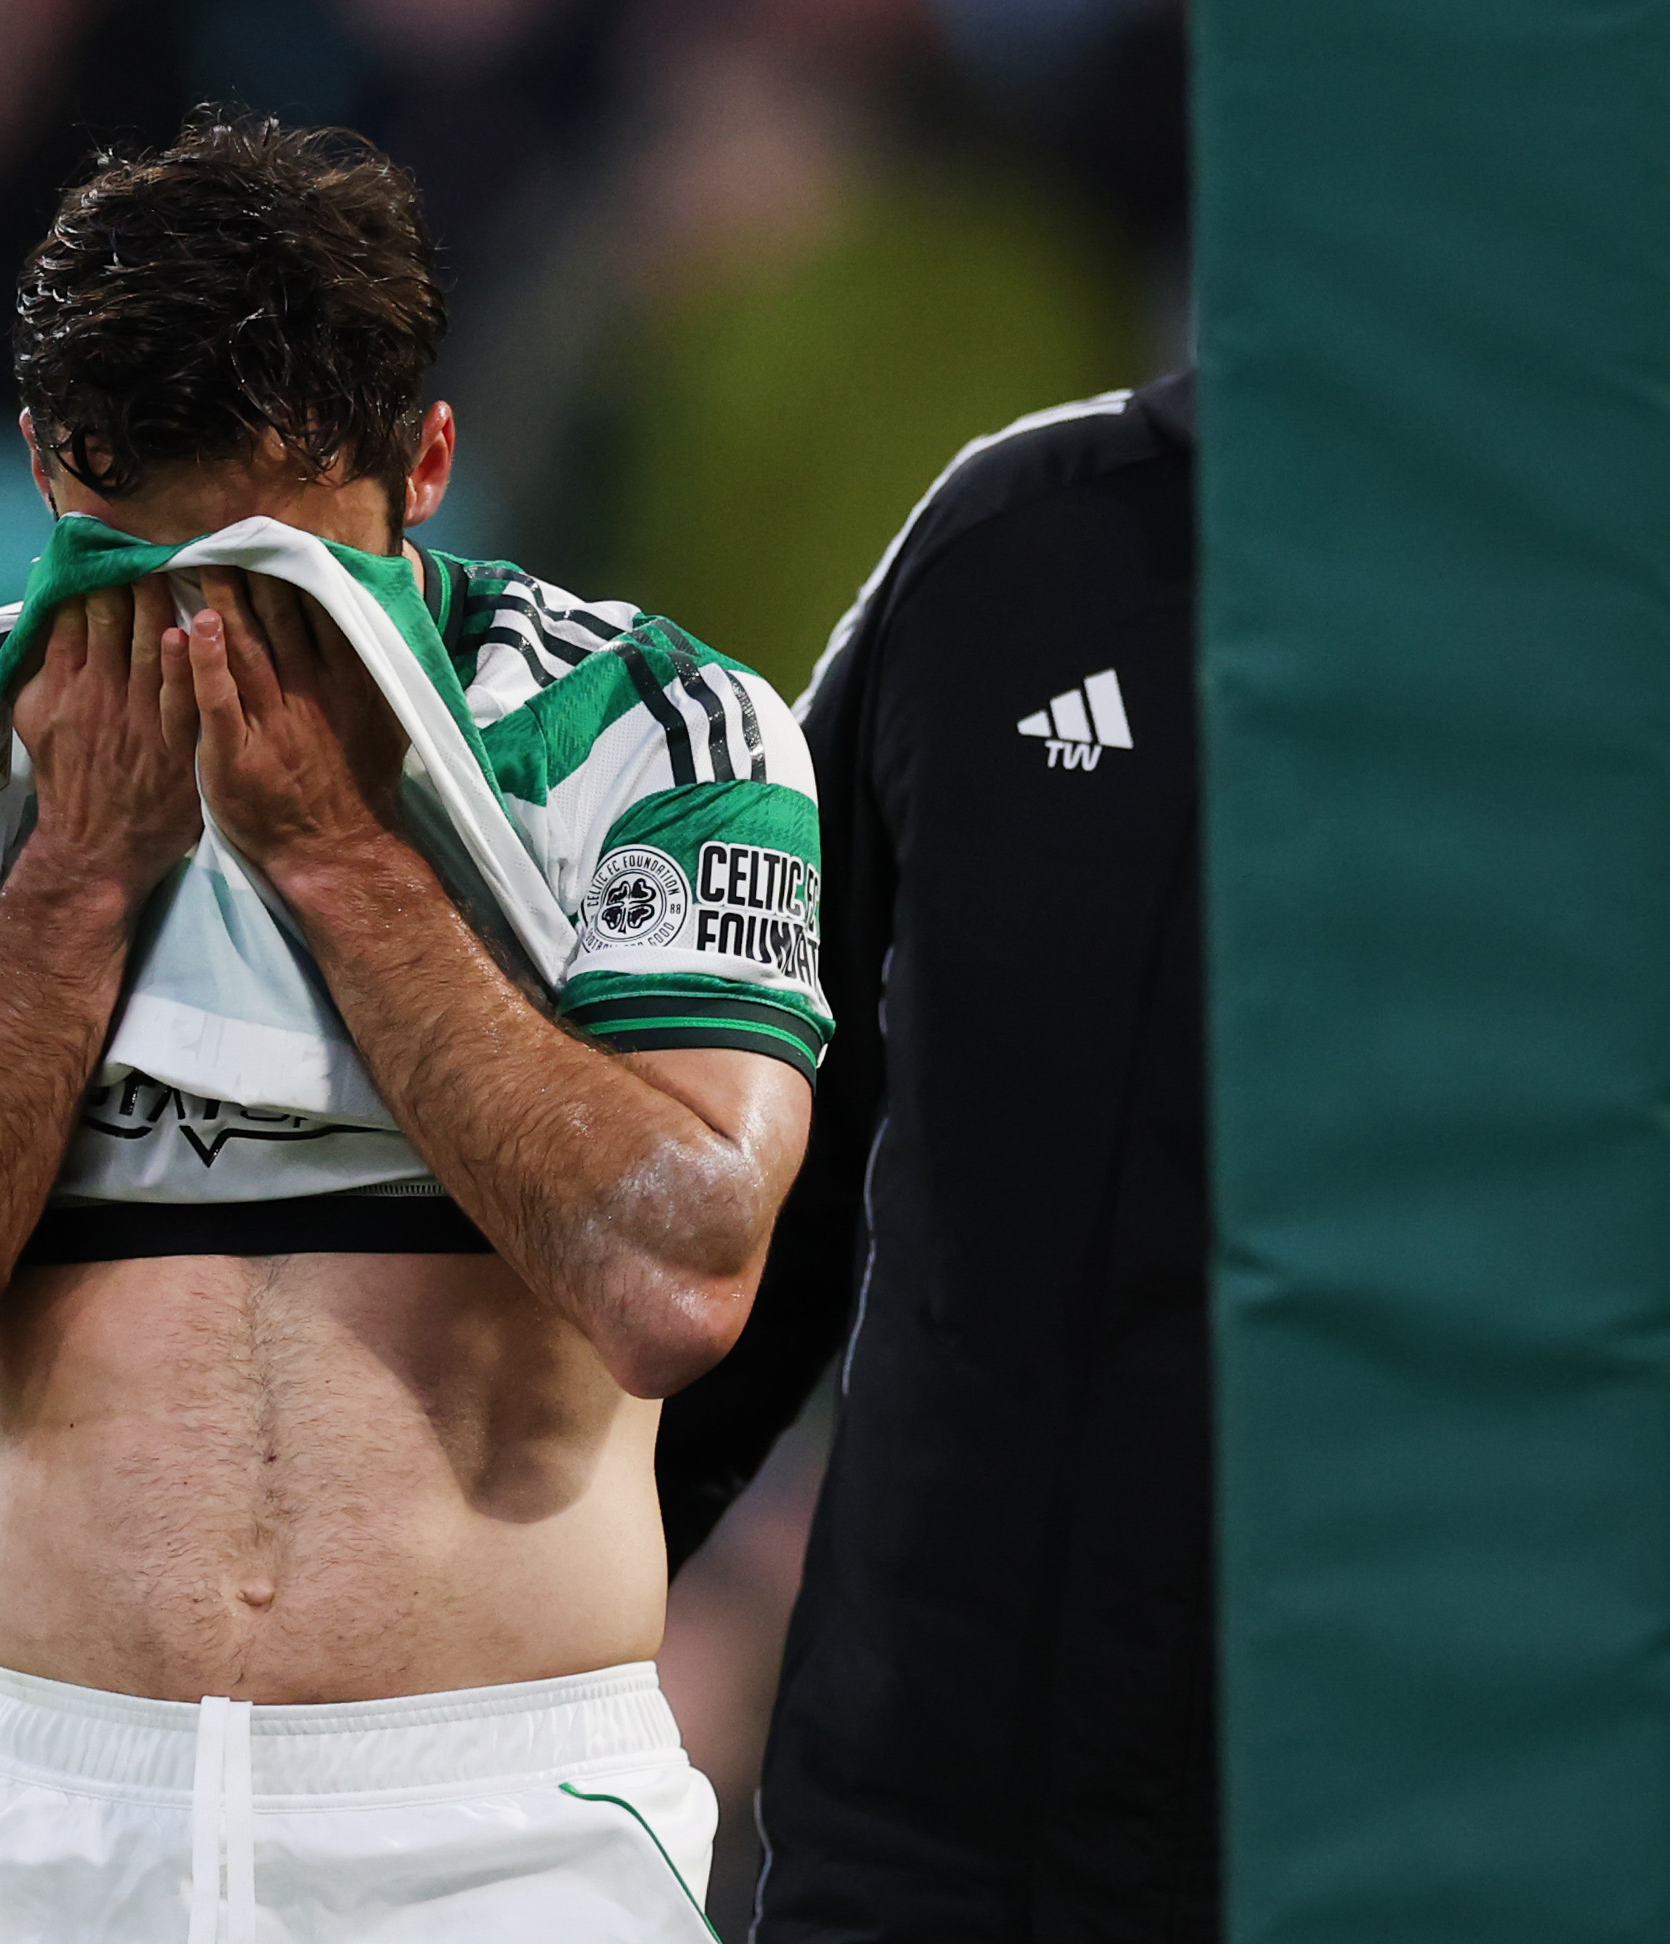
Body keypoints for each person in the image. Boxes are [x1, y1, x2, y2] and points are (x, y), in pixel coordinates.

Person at [0, 113, 829, 1940]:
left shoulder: (657, 726)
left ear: (429, 467)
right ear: (38, 476)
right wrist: (79, 881)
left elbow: (673, 1284)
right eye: (135, 580)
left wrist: (334, 851)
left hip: (498, 1825)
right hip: (61, 1818)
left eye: (286, 582)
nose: (207, 649)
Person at [664, 372, 1214, 1940]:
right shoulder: (1021, 545)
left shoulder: (1591, 601)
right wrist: (570, 1597)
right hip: (926, 1835)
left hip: (1447, 1831)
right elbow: (764, 1147)